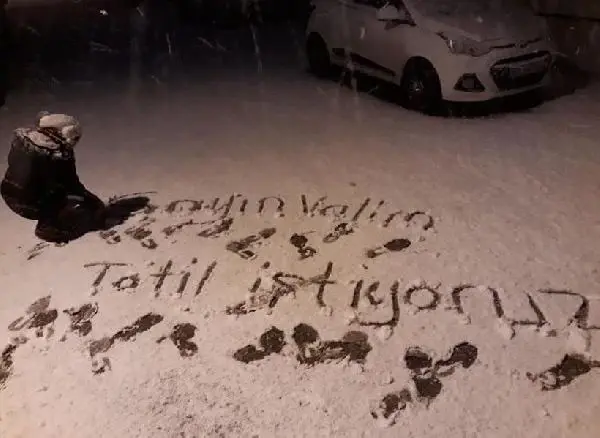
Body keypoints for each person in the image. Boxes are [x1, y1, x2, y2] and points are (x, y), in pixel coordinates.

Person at [1, 112, 107, 243]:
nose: (74, 141)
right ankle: (47, 228)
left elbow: (68, 180)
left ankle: (53, 215)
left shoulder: (35, 146)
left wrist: (84, 196)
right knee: (59, 197)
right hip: (24, 200)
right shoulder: (47, 154)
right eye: (73, 136)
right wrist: (82, 199)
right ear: (64, 133)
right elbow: (67, 182)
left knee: (63, 194)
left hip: (13, 193)